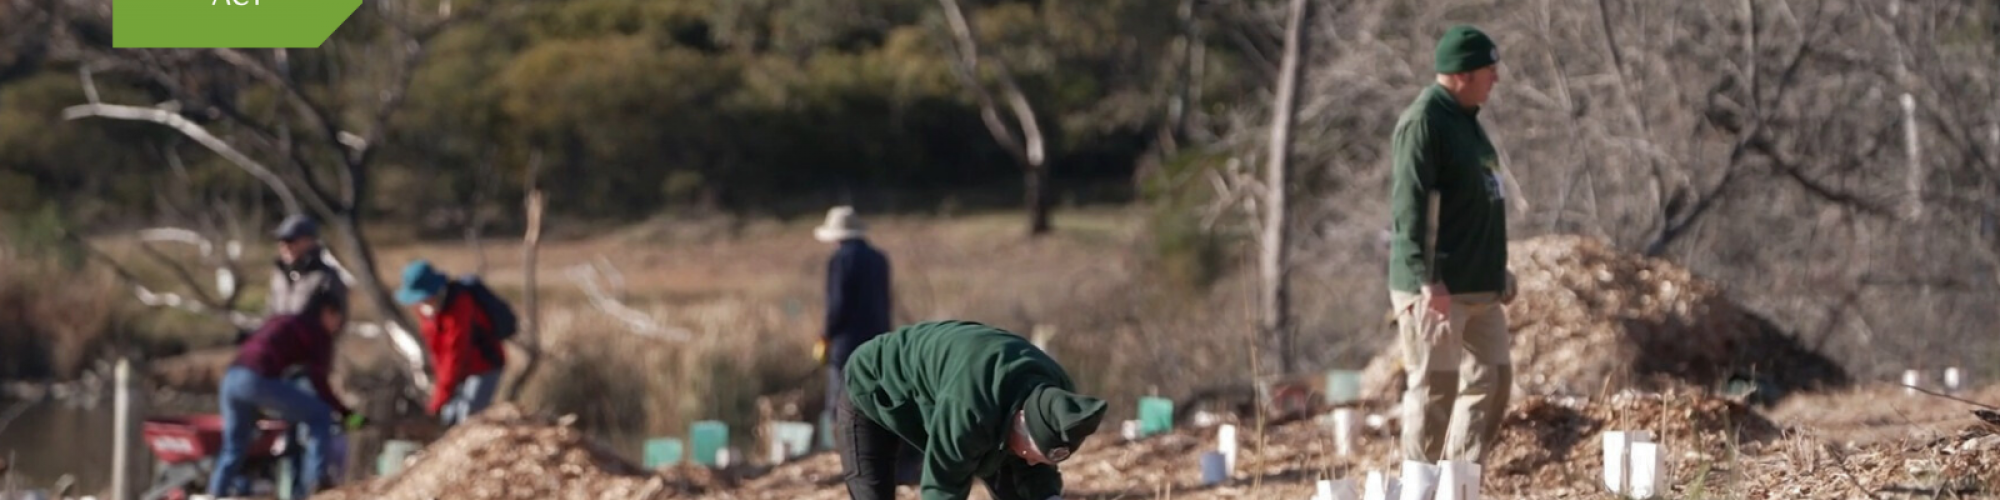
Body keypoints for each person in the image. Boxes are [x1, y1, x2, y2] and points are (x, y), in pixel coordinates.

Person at [1385, 24, 1519, 465]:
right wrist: (1428, 281)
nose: (1496, 78)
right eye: (1488, 70)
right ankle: (1420, 487)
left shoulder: (1467, 122)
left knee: (1496, 381)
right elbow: (1411, 210)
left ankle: (1459, 484)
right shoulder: (1424, 123)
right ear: (1461, 74)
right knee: (1435, 390)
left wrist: (1496, 269)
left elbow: (1479, 201)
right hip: (1438, 289)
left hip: (1478, 285)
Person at [838, 320, 1108, 500]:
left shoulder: (1054, 395)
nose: (1032, 462)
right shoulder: (970, 409)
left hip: (982, 408)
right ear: (1021, 419)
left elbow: (1039, 467)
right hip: (874, 382)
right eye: (1032, 454)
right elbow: (942, 488)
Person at [211, 291, 363, 499]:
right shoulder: (316, 332)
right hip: (258, 380)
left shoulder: (283, 319)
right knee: (321, 414)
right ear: (327, 312)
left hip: (231, 379)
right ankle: (319, 482)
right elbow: (319, 382)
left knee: (234, 446)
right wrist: (345, 413)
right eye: (338, 318)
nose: (338, 325)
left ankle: (216, 492)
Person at [396, 259, 506, 426]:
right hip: (458, 373)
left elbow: (455, 354)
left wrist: (438, 400)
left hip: (484, 366)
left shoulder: (460, 303)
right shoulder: (424, 311)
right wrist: (441, 395)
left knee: (467, 417)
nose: (422, 302)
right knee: (449, 416)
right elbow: (438, 352)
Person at [813, 206, 894, 413]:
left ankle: (842, 444)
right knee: (873, 402)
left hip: (846, 344)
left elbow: (837, 306)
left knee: (841, 403)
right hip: (878, 341)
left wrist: (826, 334)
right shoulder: (879, 259)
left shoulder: (840, 260)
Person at [236, 214, 348, 341]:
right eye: (281, 241)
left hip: (310, 354)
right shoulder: (279, 275)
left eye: (291, 240)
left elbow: (335, 324)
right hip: (279, 353)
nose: (285, 246)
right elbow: (271, 315)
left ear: (310, 241)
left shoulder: (325, 277)